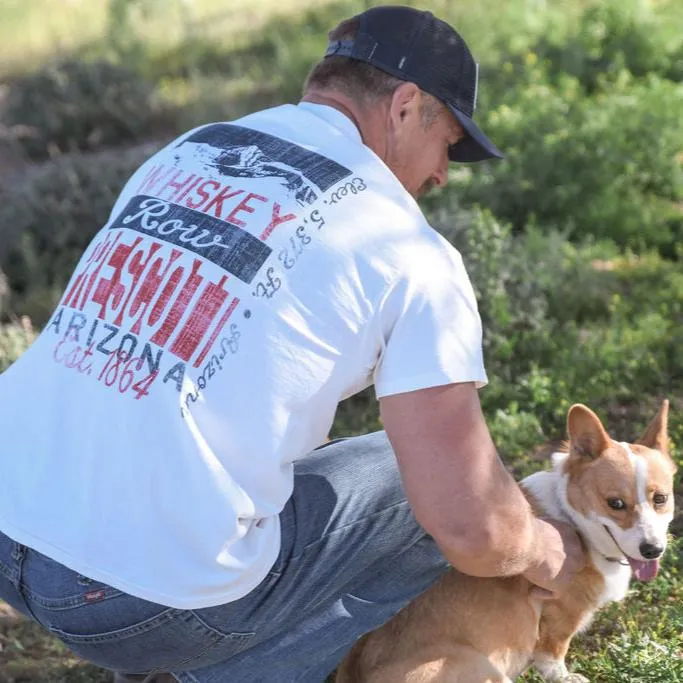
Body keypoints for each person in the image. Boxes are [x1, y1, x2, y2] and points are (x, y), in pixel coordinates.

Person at [0, 6, 585, 683]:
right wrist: (546, 547)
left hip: (12, 529)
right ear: (404, 106)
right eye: (446, 142)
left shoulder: (192, 149)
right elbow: (469, 524)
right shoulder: (405, 250)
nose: (441, 175)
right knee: (417, 484)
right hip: (132, 604)